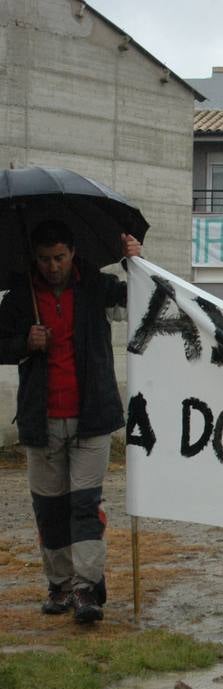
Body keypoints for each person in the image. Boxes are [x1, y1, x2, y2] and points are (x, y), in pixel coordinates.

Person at [0, 220, 142, 624]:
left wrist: (136, 265)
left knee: (84, 505)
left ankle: (86, 589)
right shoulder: (18, 299)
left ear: (73, 253)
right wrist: (24, 343)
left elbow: (138, 303)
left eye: (59, 257)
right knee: (50, 509)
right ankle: (59, 584)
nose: (53, 266)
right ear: (34, 258)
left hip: (91, 418)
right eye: (44, 259)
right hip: (40, 420)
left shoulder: (96, 287)